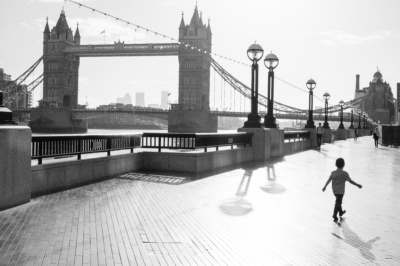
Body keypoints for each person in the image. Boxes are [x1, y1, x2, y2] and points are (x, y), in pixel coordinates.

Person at [322, 158, 362, 223]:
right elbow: (350, 181)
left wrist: (325, 186)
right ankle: (334, 215)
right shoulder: (344, 173)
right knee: (338, 202)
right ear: (344, 165)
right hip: (340, 191)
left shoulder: (333, 173)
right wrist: (357, 185)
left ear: (335, 164)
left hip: (334, 190)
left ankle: (340, 212)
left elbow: (329, 180)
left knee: (338, 201)